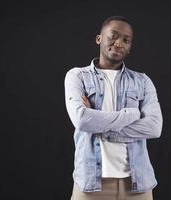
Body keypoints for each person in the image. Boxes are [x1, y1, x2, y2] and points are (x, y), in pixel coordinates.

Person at [64, 16, 163, 200]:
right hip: (91, 184)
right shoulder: (78, 76)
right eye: (113, 36)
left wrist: (102, 127)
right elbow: (82, 120)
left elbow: (154, 127)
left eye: (126, 40)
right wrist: (131, 114)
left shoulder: (142, 81)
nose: (119, 43)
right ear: (99, 39)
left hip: (138, 185)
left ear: (130, 47)